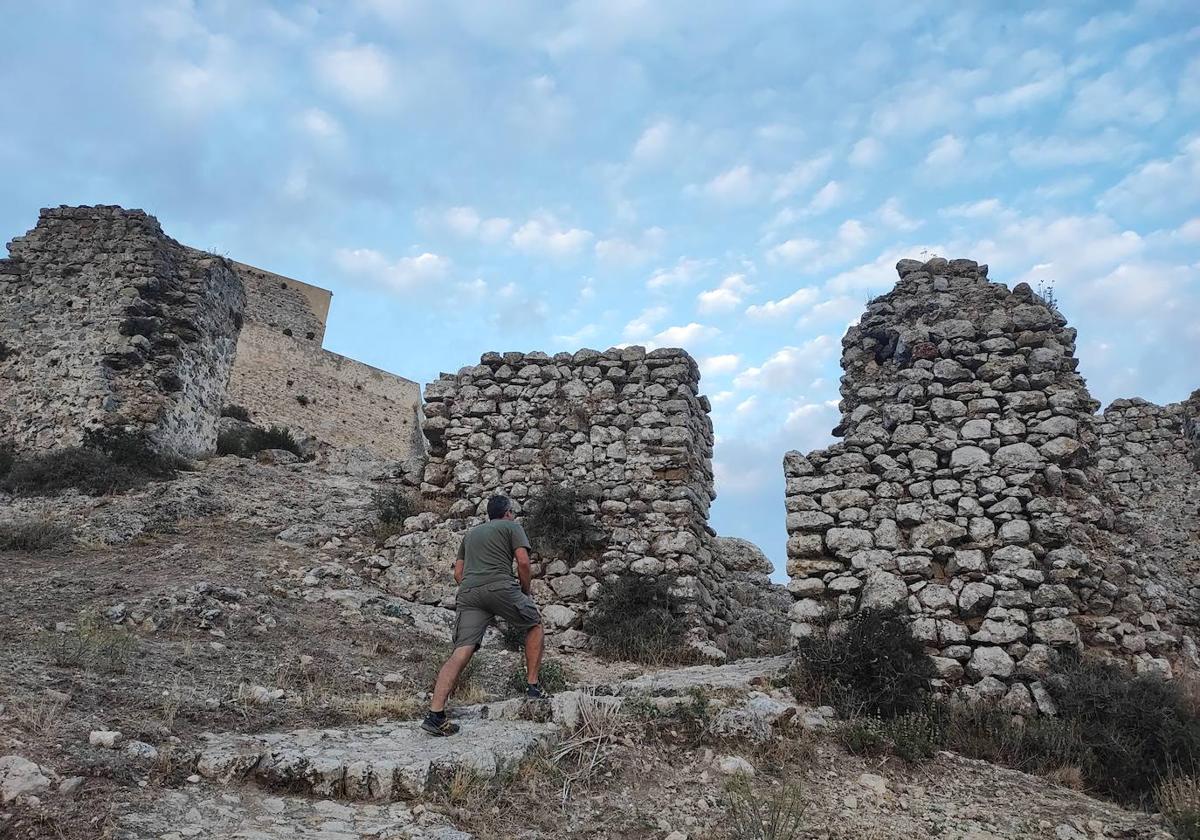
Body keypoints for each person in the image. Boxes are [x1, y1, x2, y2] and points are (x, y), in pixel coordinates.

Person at [421, 494, 546, 736]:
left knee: (461, 651)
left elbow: (458, 573)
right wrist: (525, 591)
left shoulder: (471, 535)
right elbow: (522, 562)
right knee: (534, 624)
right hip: (500, 586)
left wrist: (474, 587)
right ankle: (532, 688)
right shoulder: (512, 527)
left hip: (468, 592)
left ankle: (435, 714)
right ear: (508, 512)